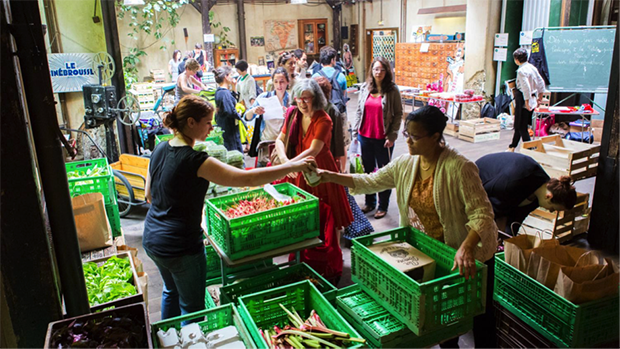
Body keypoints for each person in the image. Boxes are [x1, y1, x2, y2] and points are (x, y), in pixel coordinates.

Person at [313, 105, 498, 348]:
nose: (408, 141)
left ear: (435, 137)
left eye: (415, 136)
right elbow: (370, 181)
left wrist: (466, 246)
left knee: (475, 317)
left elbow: (483, 214)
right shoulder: (406, 164)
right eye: (406, 135)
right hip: (430, 250)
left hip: (465, 254)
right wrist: (327, 175)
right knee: (442, 319)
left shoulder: (459, 167)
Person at [143, 95, 317, 322]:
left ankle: (166, 339)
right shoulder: (195, 160)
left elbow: (149, 195)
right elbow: (246, 179)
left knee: (171, 292)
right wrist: (293, 166)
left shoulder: (160, 149)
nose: (211, 128)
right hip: (181, 246)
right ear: (191, 123)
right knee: (192, 309)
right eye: (207, 122)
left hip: (153, 240)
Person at [274, 78, 353, 281]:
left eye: (306, 99)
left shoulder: (324, 119)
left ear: (315, 99)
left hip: (320, 171)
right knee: (302, 218)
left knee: (328, 218)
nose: (302, 103)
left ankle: (329, 263)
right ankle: (303, 259)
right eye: (299, 99)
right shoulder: (292, 114)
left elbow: (314, 150)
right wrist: (284, 160)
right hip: (297, 168)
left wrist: (289, 164)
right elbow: (279, 140)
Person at [476, 152, 577, 236]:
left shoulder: (538, 195)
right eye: (553, 208)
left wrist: (509, 239)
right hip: (477, 182)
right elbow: (484, 199)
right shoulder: (516, 179)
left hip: (497, 194)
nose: (551, 211)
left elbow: (516, 218)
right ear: (549, 196)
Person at [353, 57, 403, 219]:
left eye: (382, 69)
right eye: (376, 69)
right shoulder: (365, 88)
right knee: (367, 172)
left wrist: (393, 135)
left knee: (383, 173)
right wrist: (355, 132)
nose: (378, 72)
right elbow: (359, 111)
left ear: (387, 71)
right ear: (371, 71)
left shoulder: (392, 90)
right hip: (365, 136)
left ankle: (383, 205)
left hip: (383, 139)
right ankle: (370, 203)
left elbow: (398, 114)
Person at [509, 47, 546, 152]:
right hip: (532, 99)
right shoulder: (532, 67)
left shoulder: (521, 71)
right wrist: (540, 97)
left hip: (524, 100)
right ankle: (512, 146)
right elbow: (541, 82)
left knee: (521, 127)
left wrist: (526, 102)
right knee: (519, 124)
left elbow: (526, 87)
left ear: (516, 59)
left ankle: (530, 149)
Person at [245, 67, 290, 149]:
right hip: (266, 143)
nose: (279, 85)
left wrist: (290, 114)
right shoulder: (264, 97)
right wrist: (253, 111)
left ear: (287, 82)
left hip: (285, 143)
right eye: (276, 82)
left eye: (282, 82)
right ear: (272, 82)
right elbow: (247, 117)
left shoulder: (291, 100)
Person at [313, 76, 348, 171]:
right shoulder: (312, 109)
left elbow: (338, 138)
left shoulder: (332, 110)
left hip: (329, 152)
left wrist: (338, 159)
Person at [214, 66, 243, 152]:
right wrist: (239, 115)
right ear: (226, 77)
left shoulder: (221, 91)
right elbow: (230, 111)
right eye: (230, 75)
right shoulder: (224, 93)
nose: (232, 77)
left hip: (226, 126)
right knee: (234, 151)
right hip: (228, 128)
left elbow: (233, 100)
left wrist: (234, 86)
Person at [312, 46, 348, 113]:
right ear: (332, 60)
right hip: (337, 112)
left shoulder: (314, 77)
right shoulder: (341, 76)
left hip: (321, 112)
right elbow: (343, 94)